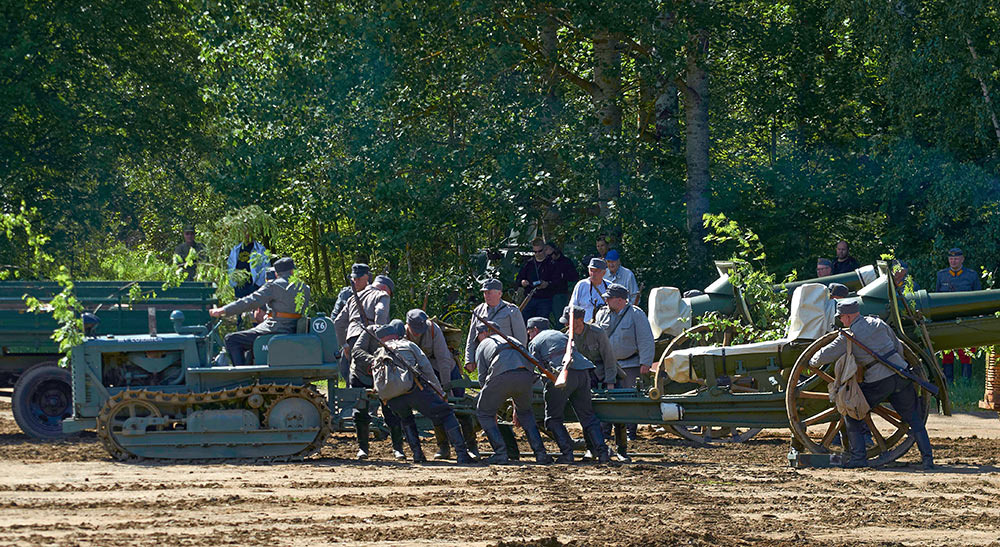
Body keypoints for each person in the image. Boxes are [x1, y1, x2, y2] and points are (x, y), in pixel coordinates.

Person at [807, 300, 935, 470]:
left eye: (841, 317)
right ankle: (928, 460)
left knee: (851, 411)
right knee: (914, 418)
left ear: (848, 316)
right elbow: (898, 347)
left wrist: (810, 360)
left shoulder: (848, 336)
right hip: (901, 373)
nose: (841, 321)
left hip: (879, 382)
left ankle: (858, 458)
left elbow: (821, 358)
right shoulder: (878, 323)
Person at [354, 320, 475, 464]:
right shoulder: (408, 345)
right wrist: (439, 391)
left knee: (406, 419)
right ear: (396, 335)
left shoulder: (378, 354)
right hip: (414, 391)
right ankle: (462, 454)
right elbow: (427, 369)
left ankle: (418, 455)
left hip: (393, 399)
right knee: (446, 413)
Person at [334, 273, 404, 460]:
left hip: (377, 370)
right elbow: (358, 351)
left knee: (389, 407)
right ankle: (364, 449)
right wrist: (375, 355)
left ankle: (397, 448)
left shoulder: (355, 297)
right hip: (362, 369)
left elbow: (339, 322)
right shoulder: (380, 302)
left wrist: (345, 345)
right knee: (362, 409)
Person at [528, 321, 610, 464]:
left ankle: (567, 454)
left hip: (562, 376)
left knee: (553, 419)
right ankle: (603, 453)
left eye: (529, 333)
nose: (529, 336)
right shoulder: (561, 335)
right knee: (588, 416)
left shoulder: (535, 342)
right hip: (583, 372)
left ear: (535, 330)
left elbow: (537, 368)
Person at [473, 321, 552, 464]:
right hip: (525, 376)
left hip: (501, 375)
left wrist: (491, 408)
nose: (478, 339)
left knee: (484, 413)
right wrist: (517, 404)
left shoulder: (483, 344)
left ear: (484, 333)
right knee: (526, 413)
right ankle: (541, 454)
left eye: (478, 336)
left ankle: (500, 453)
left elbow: (482, 378)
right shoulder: (512, 340)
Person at [406, 308, 479, 460]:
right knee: (435, 408)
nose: (418, 333)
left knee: (460, 405)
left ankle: (472, 446)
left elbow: (443, 360)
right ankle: (444, 447)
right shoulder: (403, 333)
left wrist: (446, 390)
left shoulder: (433, 329)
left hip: (446, 370)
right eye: (415, 330)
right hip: (425, 373)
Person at [209, 257, 309, 366]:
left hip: (276, 329)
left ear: (276, 274)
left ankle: (241, 374)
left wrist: (223, 310)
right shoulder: (304, 287)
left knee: (231, 339)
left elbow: (250, 301)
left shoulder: (274, 286)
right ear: (292, 271)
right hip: (293, 328)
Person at [594, 283, 655, 448]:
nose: (606, 301)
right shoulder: (602, 314)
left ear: (620, 300)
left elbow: (645, 339)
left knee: (629, 398)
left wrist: (645, 362)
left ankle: (630, 431)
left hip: (629, 363)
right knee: (605, 397)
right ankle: (605, 431)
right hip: (607, 365)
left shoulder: (636, 314)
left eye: (609, 298)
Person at [563, 305, 624, 461]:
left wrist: (610, 383)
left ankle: (622, 451)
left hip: (606, 374)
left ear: (580, 320)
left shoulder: (597, 332)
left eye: (570, 322)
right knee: (586, 414)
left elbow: (609, 358)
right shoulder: (568, 337)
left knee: (618, 415)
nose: (567, 325)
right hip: (586, 378)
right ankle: (591, 449)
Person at [935, 248, 981, 381]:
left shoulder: (971, 275)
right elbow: (937, 296)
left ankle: (966, 380)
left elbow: (978, 296)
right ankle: (948, 380)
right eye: (951, 259)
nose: (953, 261)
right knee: (946, 349)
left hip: (966, 318)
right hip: (946, 317)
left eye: (956, 259)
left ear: (962, 259)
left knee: (966, 349)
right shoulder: (941, 275)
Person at [463, 278, 527, 373]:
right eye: (485, 293)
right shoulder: (478, 311)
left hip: (505, 357)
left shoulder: (511, 311)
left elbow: (521, 338)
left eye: (489, 293)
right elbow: (471, 337)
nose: (486, 296)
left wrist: (518, 361)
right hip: (483, 356)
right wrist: (469, 360)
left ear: (499, 294)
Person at [332, 263, 371, 383]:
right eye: (354, 279)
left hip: (369, 336)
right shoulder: (346, 294)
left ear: (367, 278)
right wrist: (343, 343)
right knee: (346, 369)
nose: (355, 282)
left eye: (359, 279)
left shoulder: (373, 293)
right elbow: (336, 317)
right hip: (349, 336)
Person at [227, 235, 271, 328]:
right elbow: (230, 265)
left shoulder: (260, 249)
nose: (247, 235)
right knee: (239, 306)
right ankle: (240, 326)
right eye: (245, 232)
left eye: (249, 233)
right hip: (240, 284)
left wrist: (259, 283)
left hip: (254, 284)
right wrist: (233, 281)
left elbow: (266, 267)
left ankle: (255, 328)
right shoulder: (236, 249)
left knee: (254, 307)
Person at [515, 238, 556, 321]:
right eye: (535, 252)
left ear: (544, 249)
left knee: (541, 322)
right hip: (529, 297)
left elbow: (558, 282)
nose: (537, 254)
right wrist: (522, 282)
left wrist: (547, 284)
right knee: (523, 320)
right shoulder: (528, 263)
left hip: (545, 299)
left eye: (540, 251)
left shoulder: (552, 263)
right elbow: (518, 279)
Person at [544, 242, 578, 327]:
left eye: (551, 254)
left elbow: (574, 277)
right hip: (546, 293)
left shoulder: (566, 262)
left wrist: (562, 276)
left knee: (560, 319)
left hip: (559, 293)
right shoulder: (548, 262)